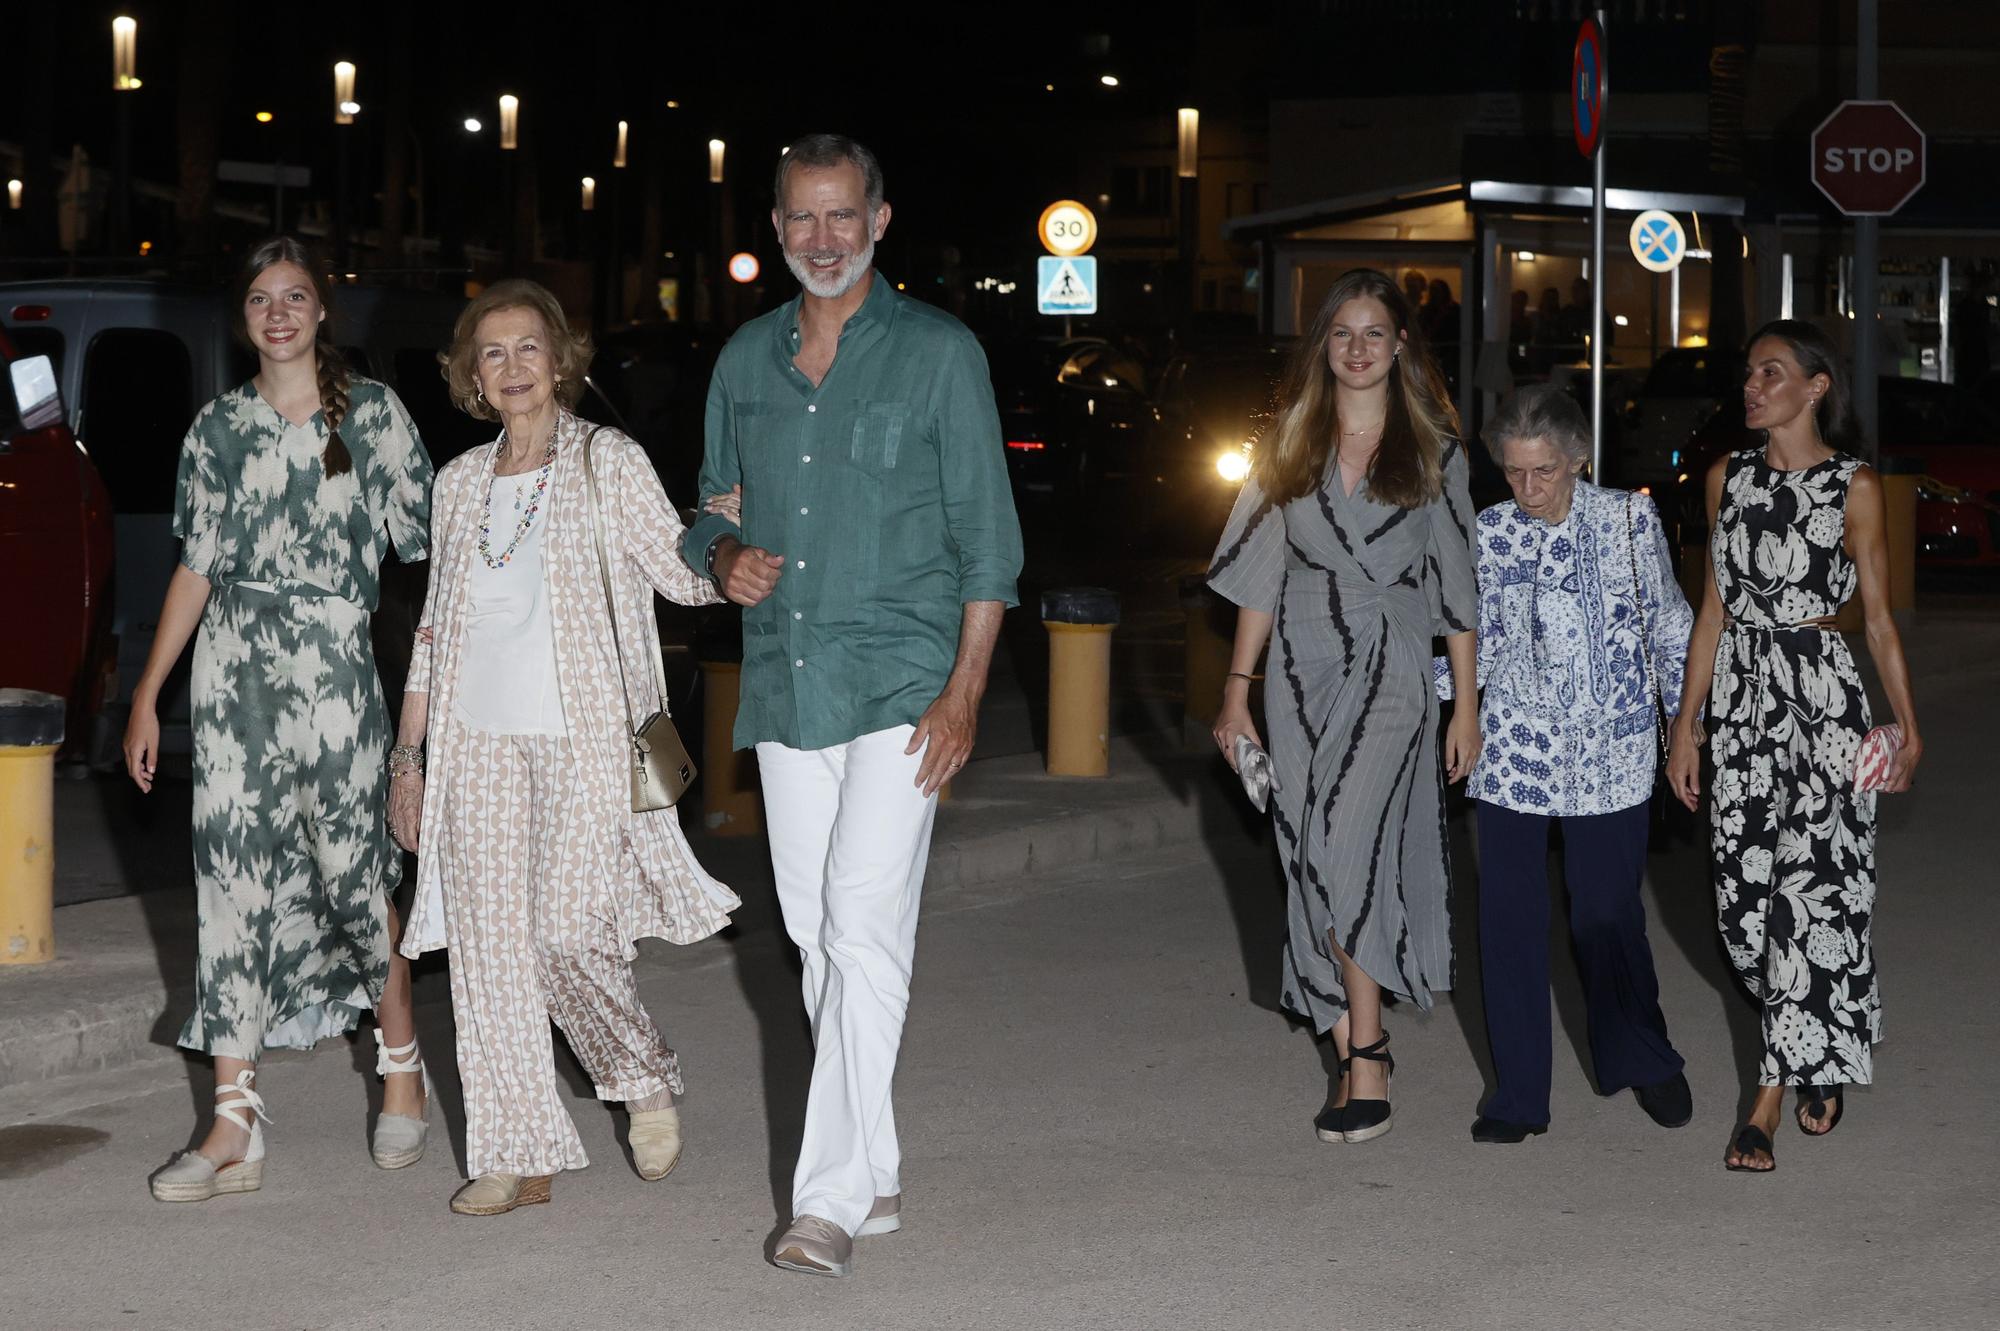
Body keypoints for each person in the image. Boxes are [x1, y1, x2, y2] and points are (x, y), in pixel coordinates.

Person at [681, 133, 1022, 1278]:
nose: (822, 239)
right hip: (788, 678)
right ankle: (871, 1163)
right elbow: (708, 507)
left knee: (862, 923)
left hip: (903, 681)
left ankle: (820, 1200)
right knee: (816, 939)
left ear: (879, 220)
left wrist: (965, 692)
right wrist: (722, 552)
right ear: (775, 231)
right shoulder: (742, 362)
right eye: (800, 221)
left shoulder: (938, 354)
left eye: (842, 218)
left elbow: (989, 543)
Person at [388, 279, 739, 1216]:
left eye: (527, 348)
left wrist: (726, 536)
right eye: (490, 353)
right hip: (477, 752)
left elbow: (679, 567)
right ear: (470, 372)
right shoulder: (458, 484)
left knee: (568, 936)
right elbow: (433, 629)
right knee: (490, 959)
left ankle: (642, 1075)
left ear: (561, 358)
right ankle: (515, 1151)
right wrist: (409, 757)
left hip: (585, 742)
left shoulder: (605, 461)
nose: (510, 367)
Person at [125, 237, 435, 1201]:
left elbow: (435, 542)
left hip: (339, 674)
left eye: (295, 295)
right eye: (261, 298)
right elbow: (197, 565)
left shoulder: (375, 414)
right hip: (232, 681)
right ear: (243, 317)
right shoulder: (216, 427)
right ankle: (233, 1125)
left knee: (355, 871)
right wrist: (147, 694)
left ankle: (401, 1069)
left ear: (321, 311)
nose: (279, 312)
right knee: (232, 881)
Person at [1208, 267, 1479, 1147]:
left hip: (1394, 659)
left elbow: (1459, 591)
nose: (1358, 348)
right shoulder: (1292, 439)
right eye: (1341, 334)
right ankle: (1349, 1034)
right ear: (1323, 346)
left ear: (1401, 344)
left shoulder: (1435, 444)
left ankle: (1366, 1052)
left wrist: (1464, 706)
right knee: (1304, 848)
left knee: (1346, 843)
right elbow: (1257, 575)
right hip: (1298, 661)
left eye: (1374, 333)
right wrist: (1236, 693)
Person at [1668, 319, 1922, 1172]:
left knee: (1807, 895)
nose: (1752, 385)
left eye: (1771, 372)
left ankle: (1766, 1101)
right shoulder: (1723, 480)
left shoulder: (1855, 486)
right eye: (1748, 373)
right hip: (1741, 702)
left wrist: (1909, 723)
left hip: (1822, 700)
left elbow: (1879, 620)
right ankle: (1819, 1034)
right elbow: (1711, 611)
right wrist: (1686, 721)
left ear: (1815, 387)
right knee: (1744, 907)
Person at [1457, 385, 1693, 1144]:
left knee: (1604, 912)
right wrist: (1425, 693)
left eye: (1544, 472)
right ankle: (1518, 1095)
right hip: (1515, 748)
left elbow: (1669, 625)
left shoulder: (1628, 520)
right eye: (1514, 472)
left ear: (1579, 460)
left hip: (1614, 750)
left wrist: (1686, 725)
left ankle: (1642, 1051)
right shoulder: (1489, 532)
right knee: (1510, 922)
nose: (1527, 490)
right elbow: (1479, 642)